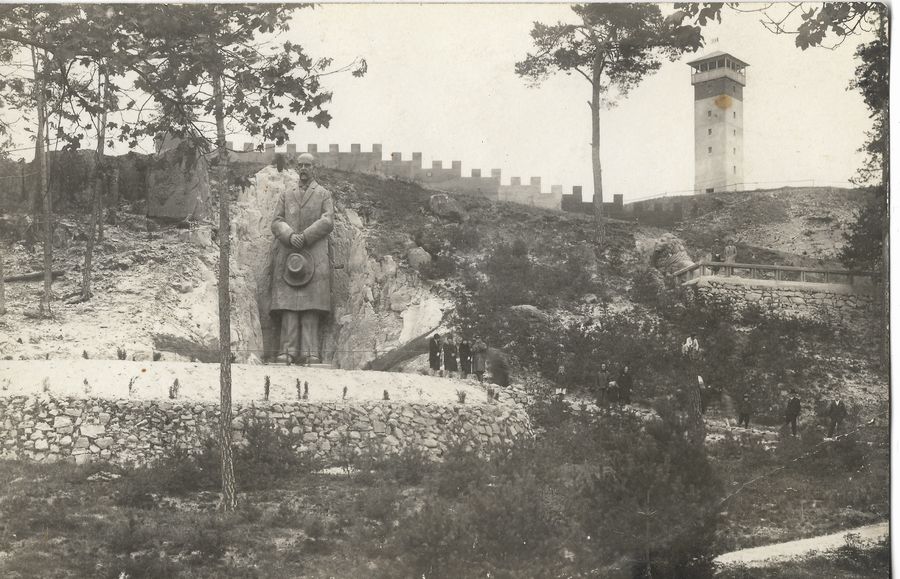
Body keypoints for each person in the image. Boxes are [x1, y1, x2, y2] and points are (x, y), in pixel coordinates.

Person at [270, 153, 334, 365]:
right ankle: (286, 352)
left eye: (308, 165)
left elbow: (327, 221)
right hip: (290, 256)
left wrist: (305, 236)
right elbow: (277, 220)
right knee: (289, 307)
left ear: (314, 168)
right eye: (301, 165)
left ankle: (309, 353)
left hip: (315, 257)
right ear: (297, 168)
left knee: (310, 307)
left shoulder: (324, 194)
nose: (304, 168)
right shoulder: (287, 194)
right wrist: (290, 236)